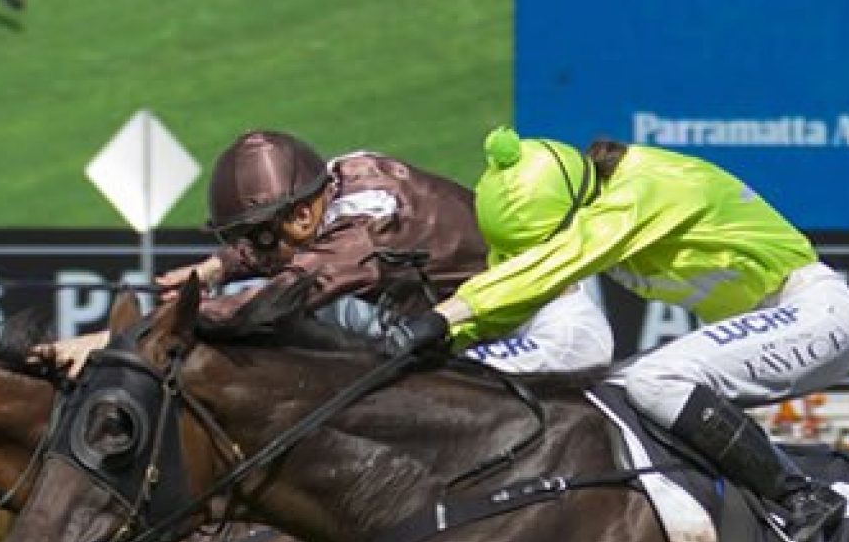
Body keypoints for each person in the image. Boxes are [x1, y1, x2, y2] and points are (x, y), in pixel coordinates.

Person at [387, 127, 849, 542]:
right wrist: (450, 342)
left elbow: (555, 263)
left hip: (816, 312)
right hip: (767, 321)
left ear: (576, 214)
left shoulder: (647, 187)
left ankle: (801, 497)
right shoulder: (584, 202)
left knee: (656, 380)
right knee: (602, 396)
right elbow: (525, 285)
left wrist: (447, 314)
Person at [48, 130, 612, 376]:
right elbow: (281, 251)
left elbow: (263, 306)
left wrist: (109, 342)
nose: (255, 248)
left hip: (548, 328)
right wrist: (217, 267)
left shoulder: (360, 234)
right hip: (482, 321)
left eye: (260, 235)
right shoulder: (331, 178)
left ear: (299, 215)